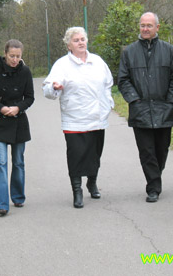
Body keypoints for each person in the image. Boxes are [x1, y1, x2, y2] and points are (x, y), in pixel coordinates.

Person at [42, 27, 114, 208]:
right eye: (76, 40)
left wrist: (108, 104)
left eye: (83, 39)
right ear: (69, 45)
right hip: (74, 119)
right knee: (76, 156)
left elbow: (108, 84)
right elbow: (47, 89)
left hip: (97, 118)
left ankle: (92, 182)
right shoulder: (62, 65)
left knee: (95, 154)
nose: (81, 42)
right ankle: (77, 190)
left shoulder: (97, 62)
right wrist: (55, 87)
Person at [117, 12, 173, 203]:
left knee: (161, 149)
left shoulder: (169, 50)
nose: (145, 29)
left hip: (164, 109)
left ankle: (156, 176)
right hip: (141, 110)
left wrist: (171, 100)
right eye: (142, 25)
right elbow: (123, 80)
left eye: (149, 25)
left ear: (157, 27)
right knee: (147, 152)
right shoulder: (129, 52)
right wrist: (134, 100)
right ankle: (153, 187)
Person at [0, 39, 35, 216]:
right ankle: (2, 204)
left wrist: (18, 107)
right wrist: (2, 108)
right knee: (0, 163)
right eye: (12, 56)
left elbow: (30, 97)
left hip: (19, 122)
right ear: (5, 54)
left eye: (18, 56)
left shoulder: (25, 71)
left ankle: (18, 197)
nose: (14, 59)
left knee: (18, 162)